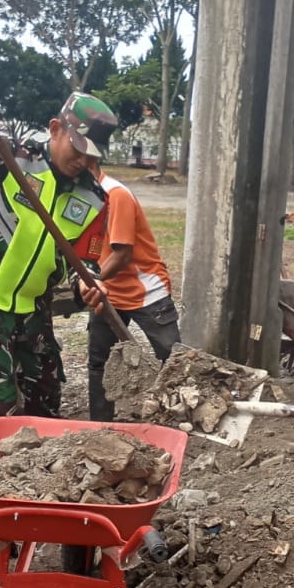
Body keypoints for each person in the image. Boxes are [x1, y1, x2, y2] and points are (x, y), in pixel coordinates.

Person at [0, 94, 117, 419]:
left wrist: (88, 286)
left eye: (91, 154)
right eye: (77, 147)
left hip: (35, 311)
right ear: (55, 129)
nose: (82, 160)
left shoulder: (93, 197)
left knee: (46, 403)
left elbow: (86, 262)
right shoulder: (13, 158)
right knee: (0, 406)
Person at [81, 155, 181, 421]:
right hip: (108, 290)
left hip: (146, 291)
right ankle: (99, 426)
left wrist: (92, 279)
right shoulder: (86, 199)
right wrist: (88, 276)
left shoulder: (116, 195)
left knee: (173, 360)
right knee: (99, 361)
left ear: (89, 165)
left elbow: (122, 253)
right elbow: (91, 247)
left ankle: (183, 419)